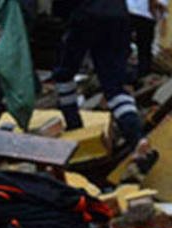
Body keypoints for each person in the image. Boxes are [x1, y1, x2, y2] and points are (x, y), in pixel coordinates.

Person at [52, 0, 156, 170]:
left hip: (86, 13)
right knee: (115, 87)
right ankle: (137, 138)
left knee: (64, 75)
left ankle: (75, 127)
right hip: (118, 15)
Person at [126, 0, 167, 82]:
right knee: (144, 49)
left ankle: (133, 77)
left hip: (133, 11)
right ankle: (142, 76)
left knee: (127, 46)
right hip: (143, 13)